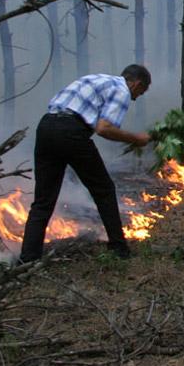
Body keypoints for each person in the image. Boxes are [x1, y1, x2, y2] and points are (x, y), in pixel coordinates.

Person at [19, 65, 153, 263]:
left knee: (43, 201)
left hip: (46, 126)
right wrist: (136, 139)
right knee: (104, 189)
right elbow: (103, 128)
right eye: (139, 93)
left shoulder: (96, 78)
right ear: (136, 83)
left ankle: (27, 260)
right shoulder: (122, 90)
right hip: (71, 132)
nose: (134, 98)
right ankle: (119, 248)